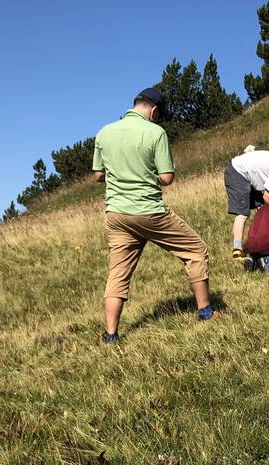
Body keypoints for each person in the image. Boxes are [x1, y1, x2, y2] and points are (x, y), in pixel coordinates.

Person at [91, 87, 221, 344]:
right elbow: (167, 178)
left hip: (117, 214)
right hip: (149, 211)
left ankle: (111, 335)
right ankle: (206, 312)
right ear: (154, 110)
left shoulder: (104, 132)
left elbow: (97, 175)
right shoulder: (155, 132)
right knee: (196, 250)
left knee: (118, 273)